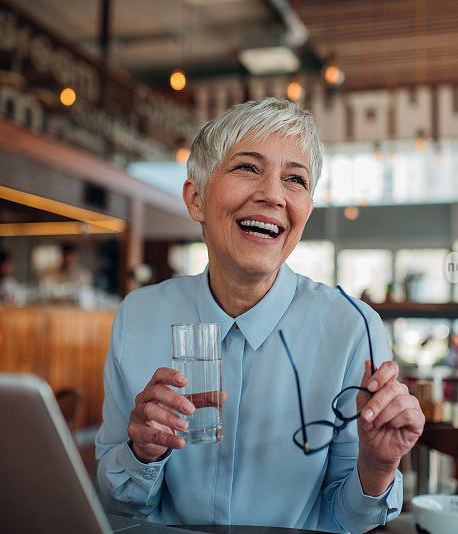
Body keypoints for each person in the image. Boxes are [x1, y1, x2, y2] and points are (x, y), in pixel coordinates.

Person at [95, 98, 423, 533]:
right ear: (196, 200)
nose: (273, 194)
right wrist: (141, 453)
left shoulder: (351, 329)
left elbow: (349, 520)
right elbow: (117, 504)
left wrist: (378, 467)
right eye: (248, 168)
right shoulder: (139, 316)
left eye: (295, 179)